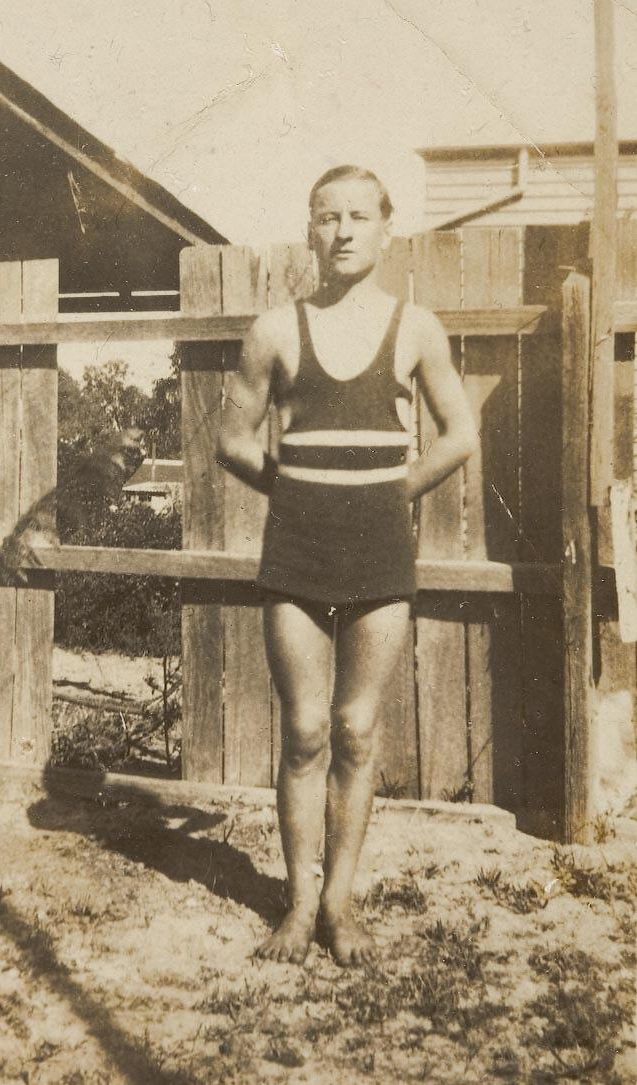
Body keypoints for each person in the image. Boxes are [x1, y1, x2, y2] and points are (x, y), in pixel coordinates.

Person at [216, 165, 478, 966]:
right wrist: (293, 491)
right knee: (302, 730)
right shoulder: (273, 331)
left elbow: (458, 434)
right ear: (309, 231)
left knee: (356, 729)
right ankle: (296, 905)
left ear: (386, 230)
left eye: (359, 216)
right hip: (295, 547)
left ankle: (339, 903)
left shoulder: (415, 329)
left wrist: (393, 489)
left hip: (378, 547)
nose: (342, 231)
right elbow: (229, 440)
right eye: (326, 216)